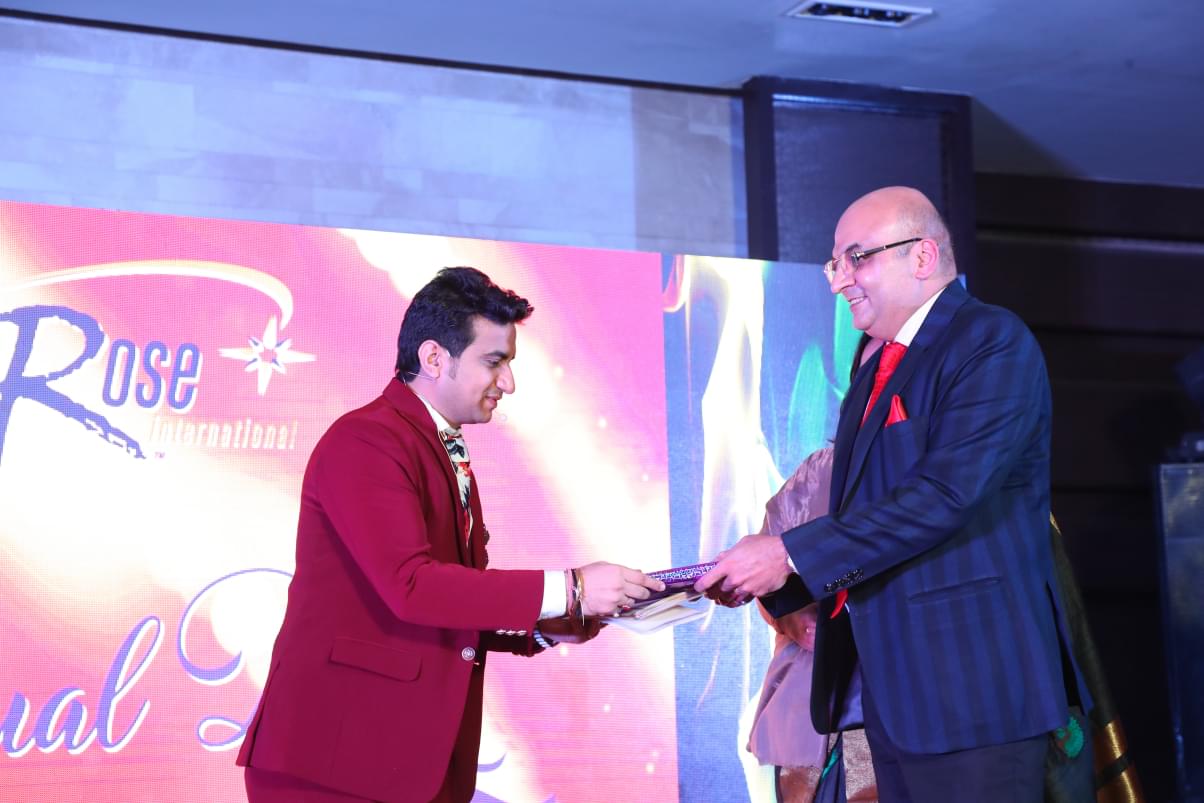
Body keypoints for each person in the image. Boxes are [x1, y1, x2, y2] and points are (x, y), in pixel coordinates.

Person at [697, 186, 1090, 802]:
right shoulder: (876, 364)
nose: (838, 281)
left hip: (975, 694)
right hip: (896, 700)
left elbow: (944, 496)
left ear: (923, 256)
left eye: (856, 258)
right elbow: (864, 515)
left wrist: (788, 554)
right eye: (834, 264)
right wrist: (777, 583)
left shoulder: (989, 341)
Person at [237, 266, 664, 803]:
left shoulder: (436, 447)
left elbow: (451, 604)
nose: (508, 383)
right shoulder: (366, 440)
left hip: (399, 766)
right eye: (494, 361)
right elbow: (411, 587)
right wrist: (571, 587)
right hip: (333, 766)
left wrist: (546, 630)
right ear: (435, 358)